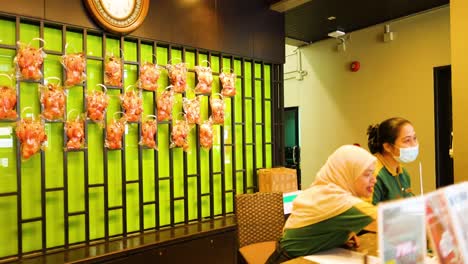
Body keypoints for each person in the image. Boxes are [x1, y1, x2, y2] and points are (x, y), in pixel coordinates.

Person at [266, 145, 378, 263]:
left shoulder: (325, 190)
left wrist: (339, 236)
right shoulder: (338, 201)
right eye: (367, 174)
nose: (374, 180)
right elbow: (388, 221)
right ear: (348, 174)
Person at [367, 117, 417, 204]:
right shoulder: (373, 174)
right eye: (407, 140)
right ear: (387, 147)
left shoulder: (403, 173)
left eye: (415, 138)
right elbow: (369, 213)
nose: (414, 145)